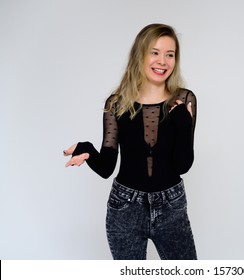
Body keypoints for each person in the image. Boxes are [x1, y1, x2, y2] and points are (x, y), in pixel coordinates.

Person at [63, 23, 197, 260]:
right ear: (140, 55)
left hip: (171, 207)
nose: (162, 61)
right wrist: (88, 150)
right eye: (154, 52)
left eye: (170, 54)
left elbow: (182, 166)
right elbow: (107, 167)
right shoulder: (116, 103)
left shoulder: (183, 100)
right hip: (125, 208)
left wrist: (184, 125)